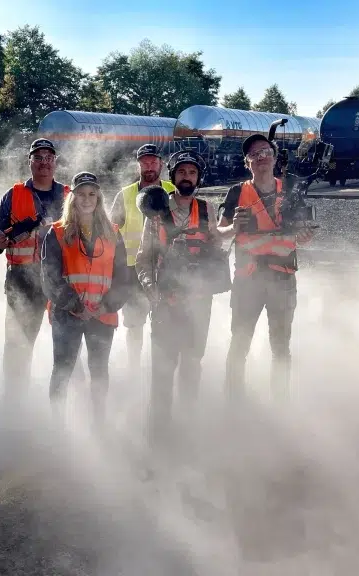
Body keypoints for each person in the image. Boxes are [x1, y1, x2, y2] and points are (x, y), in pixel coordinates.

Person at [217, 134, 315, 401]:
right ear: (247, 163)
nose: (261, 157)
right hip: (248, 280)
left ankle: (280, 404)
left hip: (282, 279)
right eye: (254, 155)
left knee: (281, 346)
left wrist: (306, 236)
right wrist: (233, 227)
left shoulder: (292, 189)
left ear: (274, 156)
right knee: (240, 343)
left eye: (265, 152)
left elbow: (303, 229)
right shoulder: (237, 193)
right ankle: (234, 402)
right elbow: (219, 232)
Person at [135, 149, 221, 444]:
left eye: (192, 173)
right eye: (182, 172)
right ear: (172, 177)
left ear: (198, 178)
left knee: (192, 366)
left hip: (199, 305)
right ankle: (157, 437)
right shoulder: (156, 211)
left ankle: (187, 431)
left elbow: (218, 256)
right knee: (162, 371)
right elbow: (143, 259)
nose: (187, 177)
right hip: (165, 305)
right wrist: (152, 291)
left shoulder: (209, 210)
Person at [41, 172, 131, 423]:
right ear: (72, 198)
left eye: (92, 194)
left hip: (102, 315)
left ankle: (98, 423)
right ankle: (57, 424)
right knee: (63, 369)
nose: (86, 199)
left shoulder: (113, 233)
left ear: (99, 198)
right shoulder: (57, 233)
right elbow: (50, 277)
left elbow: (123, 277)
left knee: (99, 371)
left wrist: (106, 305)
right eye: (81, 194)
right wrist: (74, 305)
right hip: (67, 314)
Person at [0, 138, 70, 402]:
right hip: (22, 281)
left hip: (63, 278)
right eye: (38, 157)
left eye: (49, 158)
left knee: (68, 346)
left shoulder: (69, 194)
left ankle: (64, 406)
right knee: (17, 346)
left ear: (55, 163)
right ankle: (14, 404)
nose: (44, 163)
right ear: (30, 162)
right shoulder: (14, 195)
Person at [109, 144, 177, 376]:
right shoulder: (125, 194)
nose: (149, 166)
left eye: (153, 161)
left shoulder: (172, 191)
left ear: (160, 163)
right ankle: (134, 369)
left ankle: (162, 368)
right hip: (132, 269)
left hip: (166, 268)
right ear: (138, 164)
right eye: (144, 162)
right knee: (135, 323)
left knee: (166, 322)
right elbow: (111, 232)